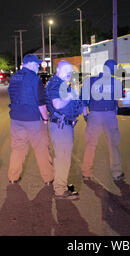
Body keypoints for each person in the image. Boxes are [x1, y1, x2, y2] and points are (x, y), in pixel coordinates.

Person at [7, 54, 54, 185]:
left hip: (16, 119)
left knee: (17, 148)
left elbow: (11, 94)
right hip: (33, 120)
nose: (38, 66)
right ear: (31, 64)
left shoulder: (14, 77)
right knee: (42, 149)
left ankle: (13, 177)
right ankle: (48, 178)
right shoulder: (34, 79)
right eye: (37, 64)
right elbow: (41, 103)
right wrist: (45, 119)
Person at [81, 59, 125, 182]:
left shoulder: (90, 81)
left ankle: (86, 173)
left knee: (90, 145)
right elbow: (118, 100)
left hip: (94, 115)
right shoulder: (115, 82)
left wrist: (86, 116)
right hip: (109, 115)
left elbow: (84, 101)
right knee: (113, 145)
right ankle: (116, 173)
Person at [46, 61, 83, 200]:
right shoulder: (56, 84)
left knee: (62, 157)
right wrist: (71, 95)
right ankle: (60, 190)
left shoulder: (59, 83)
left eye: (70, 70)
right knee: (63, 158)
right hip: (61, 126)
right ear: (58, 70)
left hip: (62, 125)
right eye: (66, 70)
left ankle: (61, 184)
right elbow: (57, 104)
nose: (69, 73)